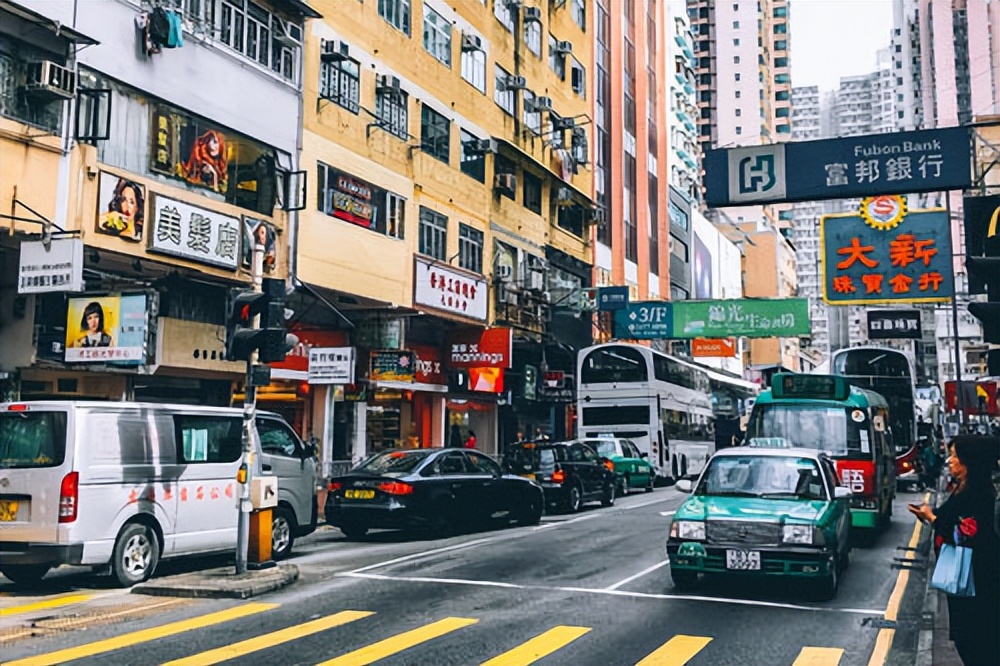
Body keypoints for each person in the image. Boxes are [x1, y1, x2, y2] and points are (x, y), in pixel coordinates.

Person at [908, 435, 1000, 666]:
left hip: (978, 587)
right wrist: (932, 517)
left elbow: (971, 537)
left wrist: (932, 519)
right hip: (964, 585)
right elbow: (948, 517)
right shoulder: (963, 490)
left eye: (956, 456)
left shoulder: (980, 496)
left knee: (977, 644)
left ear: (971, 461)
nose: (950, 461)